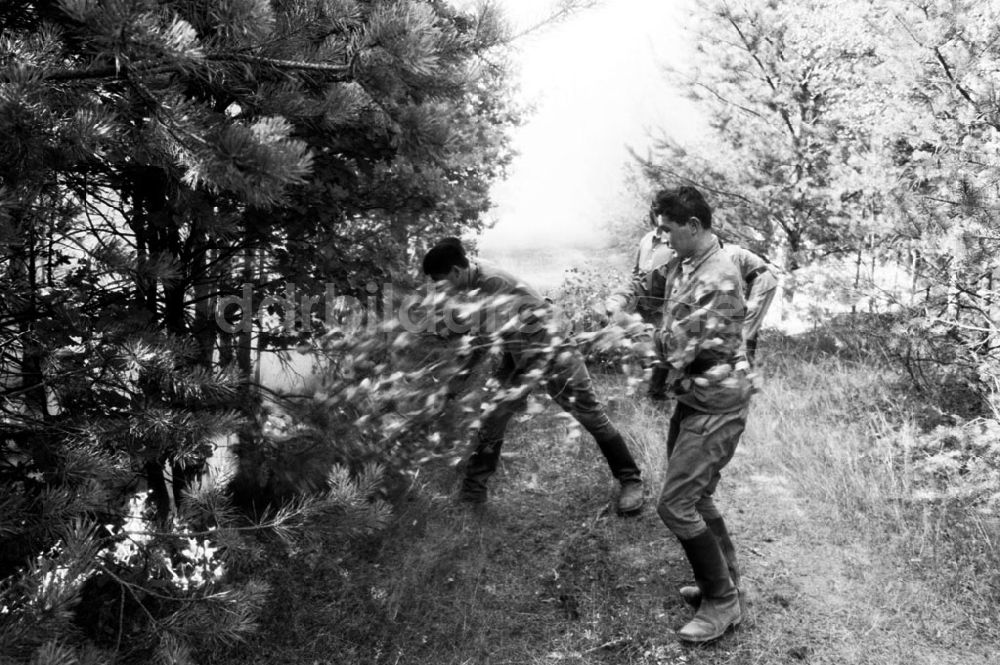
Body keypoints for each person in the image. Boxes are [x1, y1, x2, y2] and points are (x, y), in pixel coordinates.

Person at [421, 238, 645, 514]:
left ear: (456, 271)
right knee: (492, 416)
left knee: (592, 417)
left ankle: (631, 481)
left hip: (553, 353)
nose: (442, 290)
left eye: (443, 282)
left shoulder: (492, 284)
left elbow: (479, 347)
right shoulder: (474, 272)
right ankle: (473, 492)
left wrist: (451, 387)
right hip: (519, 354)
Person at [648, 186, 753, 643]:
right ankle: (725, 580)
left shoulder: (720, 277)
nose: (664, 238)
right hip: (697, 394)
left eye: (669, 229)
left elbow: (676, 345)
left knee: (675, 505)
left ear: (693, 225)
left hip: (717, 399)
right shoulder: (688, 263)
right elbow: (654, 297)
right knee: (697, 495)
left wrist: (626, 338)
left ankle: (723, 603)